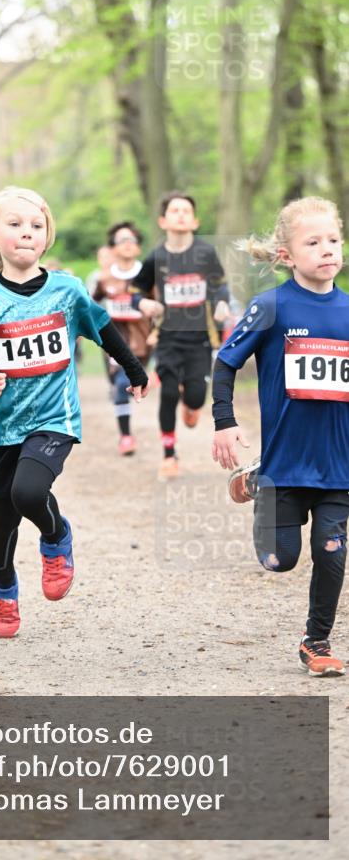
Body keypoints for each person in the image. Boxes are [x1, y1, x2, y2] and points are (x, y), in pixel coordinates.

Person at [0, 186, 149, 638]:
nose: (27, 233)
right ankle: (3, 588)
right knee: (1, 515)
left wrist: (133, 368)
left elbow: (102, 328)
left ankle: (55, 537)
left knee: (29, 492)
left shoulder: (67, 290)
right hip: (1, 428)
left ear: (46, 236)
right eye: (14, 225)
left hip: (55, 418)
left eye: (36, 226)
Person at [212, 197, 348, 677]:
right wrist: (224, 422)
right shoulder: (270, 307)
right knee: (278, 561)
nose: (327, 249)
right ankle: (258, 484)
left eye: (333, 239)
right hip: (285, 465)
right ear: (287, 254)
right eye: (313, 242)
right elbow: (226, 361)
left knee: (332, 553)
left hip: (338, 466)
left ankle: (317, 641)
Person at [131, 192, 230, 480]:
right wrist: (144, 303)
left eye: (186, 210)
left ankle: (192, 402)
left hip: (201, 336)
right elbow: (136, 292)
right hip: (168, 337)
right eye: (175, 210)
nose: (181, 214)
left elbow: (219, 286)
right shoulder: (157, 256)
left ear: (195, 220)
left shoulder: (205, 253)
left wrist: (222, 303)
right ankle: (169, 455)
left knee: (197, 397)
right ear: (163, 220)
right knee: (169, 392)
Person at [92, 222, 153, 455]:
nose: (127, 245)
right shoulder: (104, 279)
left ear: (138, 248)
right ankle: (126, 436)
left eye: (132, 241)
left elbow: (161, 305)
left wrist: (157, 328)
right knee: (119, 385)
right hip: (114, 343)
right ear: (112, 249)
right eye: (121, 241)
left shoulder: (149, 275)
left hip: (143, 342)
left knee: (125, 384)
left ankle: (126, 432)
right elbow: (90, 304)